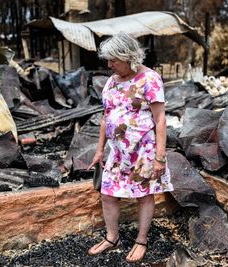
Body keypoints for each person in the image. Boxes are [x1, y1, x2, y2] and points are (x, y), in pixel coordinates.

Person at [87, 32, 174, 263]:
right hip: (117, 153)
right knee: (107, 195)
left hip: (143, 151)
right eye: (108, 60)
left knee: (144, 196)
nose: (109, 65)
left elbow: (160, 120)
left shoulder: (150, 79)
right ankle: (112, 237)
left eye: (114, 60)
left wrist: (160, 158)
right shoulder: (112, 80)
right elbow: (106, 117)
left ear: (129, 57)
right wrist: (99, 150)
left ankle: (141, 240)